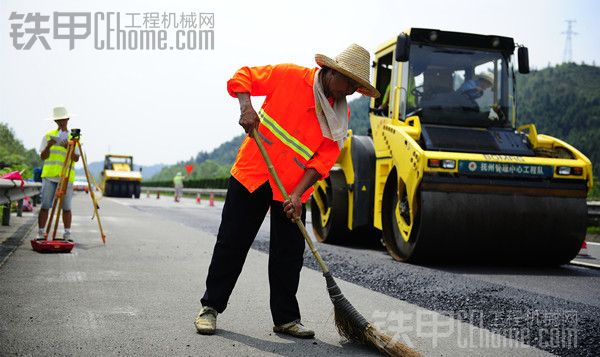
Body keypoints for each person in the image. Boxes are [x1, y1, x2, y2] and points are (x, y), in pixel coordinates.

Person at [194, 44, 380, 338]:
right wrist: (246, 107)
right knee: (232, 243)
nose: (350, 91)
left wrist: (296, 195)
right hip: (254, 172)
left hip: (292, 189)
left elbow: (322, 161)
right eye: (348, 82)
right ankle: (210, 308)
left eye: (356, 86)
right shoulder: (289, 76)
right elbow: (242, 77)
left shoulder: (338, 116)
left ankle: (286, 319)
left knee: (289, 253)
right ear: (331, 71)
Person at [37, 106, 80, 241]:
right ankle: (41, 233)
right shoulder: (49, 135)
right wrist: (49, 145)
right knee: (45, 206)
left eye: (63, 119)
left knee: (66, 207)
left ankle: (67, 234)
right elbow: (43, 157)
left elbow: (76, 158)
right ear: (56, 121)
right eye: (58, 120)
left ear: (67, 119)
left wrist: (68, 147)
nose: (61, 122)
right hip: (50, 176)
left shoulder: (74, 138)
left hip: (66, 177)